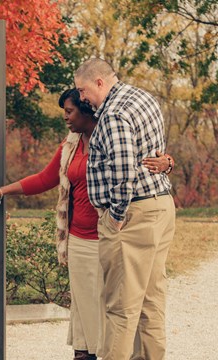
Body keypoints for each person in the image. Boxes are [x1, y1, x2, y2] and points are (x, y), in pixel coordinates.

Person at [0, 89, 173, 360]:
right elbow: (45, 178)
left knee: (119, 307)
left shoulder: (114, 134)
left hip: (111, 235)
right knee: (84, 313)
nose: (65, 117)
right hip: (79, 240)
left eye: (69, 111)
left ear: (87, 110)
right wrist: (1, 191)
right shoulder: (71, 145)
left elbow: (141, 165)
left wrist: (168, 163)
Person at [74, 58, 176, 360]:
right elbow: (154, 152)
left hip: (132, 215)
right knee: (150, 302)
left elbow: (122, 171)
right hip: (160, 208)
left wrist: (116, 216)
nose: (81, 98)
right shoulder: (144, 98)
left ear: (100, 83)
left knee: (120, 306)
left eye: (83, 90)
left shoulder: (113, 114)